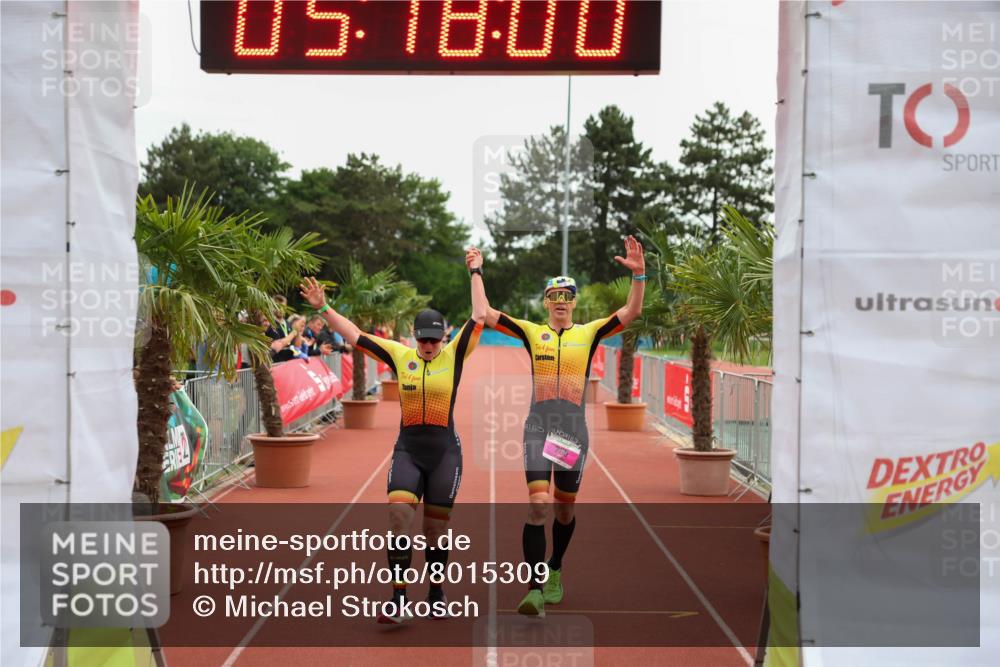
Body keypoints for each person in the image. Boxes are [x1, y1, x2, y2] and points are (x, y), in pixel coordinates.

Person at [299, 262, 486, 624]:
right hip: (408, 451)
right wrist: (324, 308)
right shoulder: (401, 356)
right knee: (398, 516)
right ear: (414, 337)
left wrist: (475, 272)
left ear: (444, 338)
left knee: (434, 531)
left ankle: (436, 593)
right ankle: (399, 599)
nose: (428, 346)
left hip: (445, 453)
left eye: (434, 340)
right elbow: (356, 336)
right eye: (423, 339)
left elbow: (479, 315)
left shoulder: (454, 356)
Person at [470, 236, 646, 617]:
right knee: (538, 504)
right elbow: (483, 313)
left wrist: (639, 276)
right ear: (547, 302)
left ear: (574, 302)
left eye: (567, 295)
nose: (561, 300)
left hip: (571, 435)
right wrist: (476, 271)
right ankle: (534, 589)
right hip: (538, 430)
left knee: (564, 511)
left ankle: (556, 566)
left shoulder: (590, 332)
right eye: (555, 295)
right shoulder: (534, 333)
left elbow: (631, 312)